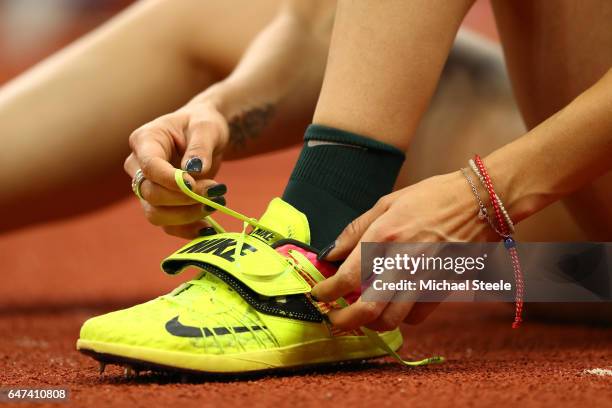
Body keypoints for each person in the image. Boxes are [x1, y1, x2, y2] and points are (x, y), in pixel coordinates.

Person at [123, 0, 611, 330]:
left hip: (584, 257)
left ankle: (312, 245)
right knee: (201, 14)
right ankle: (324, 213)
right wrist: (219, 110)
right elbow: (320, 19)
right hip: (573, 255)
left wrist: (485, 194)